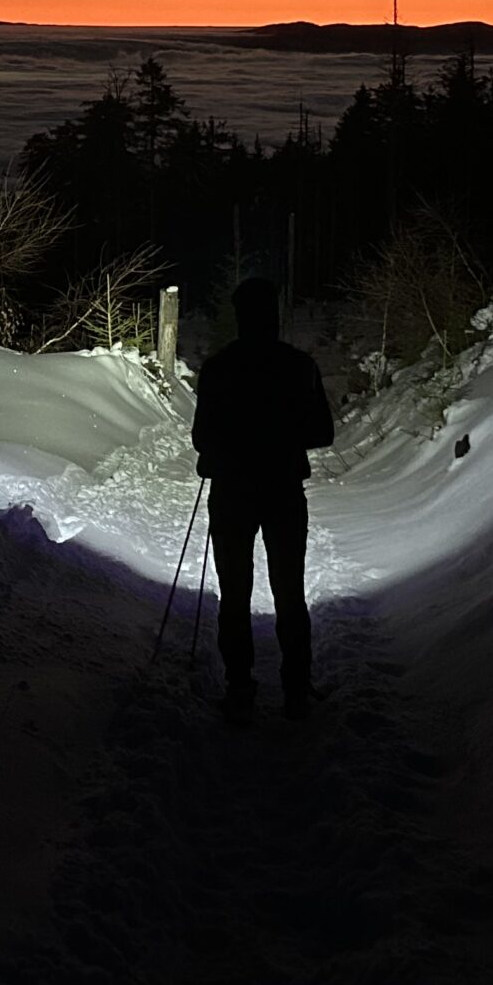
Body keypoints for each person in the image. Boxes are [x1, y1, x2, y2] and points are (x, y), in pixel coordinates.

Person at [192, 277, 336, 717]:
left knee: (235, 592)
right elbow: (323, 432)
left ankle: (240, 688)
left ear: (240, 317)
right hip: (283, 491)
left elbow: (202, 437)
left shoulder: (219, 367)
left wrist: (230, 445)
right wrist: (281, 436)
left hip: (232, 491)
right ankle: (295, 690)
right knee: (289, 591)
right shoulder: (299, 366)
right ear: (274, 315)